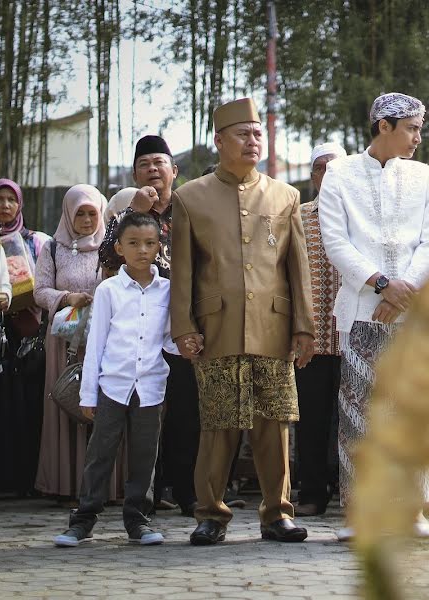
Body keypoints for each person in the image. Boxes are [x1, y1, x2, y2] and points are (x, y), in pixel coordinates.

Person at [170, 97, 316, 545]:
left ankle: (277, 514)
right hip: (217, 328)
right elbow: (182, 272)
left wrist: (305, 326)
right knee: (219, 424)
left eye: (257, 133)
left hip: (273, 327)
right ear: (219, 141)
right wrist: (183, 326)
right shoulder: (190, 197)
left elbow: (297, 267)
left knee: (275, 424)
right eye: (242, 134)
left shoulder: (285, 195)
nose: (253, 140)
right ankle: (211, 513)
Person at [318, 92, 429, 540]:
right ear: (384, 126)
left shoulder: (425, 176)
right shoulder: (340, 172)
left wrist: (401, 291)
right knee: (358, 415)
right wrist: (381, 286)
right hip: (359, 312)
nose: (417, 138)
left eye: (419, 129)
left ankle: (413, 513)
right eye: (411, 128)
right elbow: (336, 241)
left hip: (410, 313)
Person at [53, 212, 201, 547]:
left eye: (150, 243)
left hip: (151, 386)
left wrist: (186, 345)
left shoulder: (168, 290)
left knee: (145, 456)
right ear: (119, 247)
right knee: (100, 453)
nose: (142, 250)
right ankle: (84, 519)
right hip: (111, 386)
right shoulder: (108, 290)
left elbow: (167, 339)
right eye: (133, 243)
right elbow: (96, 344)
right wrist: (88, 394)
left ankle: (138, 520)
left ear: (159, 246)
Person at [100, 136, 201, 517]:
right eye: (145, 164)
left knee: (187, 412)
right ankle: (149, 494)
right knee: (147, 414)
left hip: (185, 326)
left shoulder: (192, 209)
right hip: (140, 331)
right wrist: (133, 213)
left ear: (174, 171)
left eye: (160, 162)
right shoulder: (126, 214)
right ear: (135, 174)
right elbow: (108, 258)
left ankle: (188, 492)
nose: (153, 169)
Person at [34, 185, 127, 502]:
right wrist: (67, 298)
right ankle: (66, 484)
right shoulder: (52, 249)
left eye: (92, 213)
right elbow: (40, 291)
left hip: (105, 339)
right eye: (80, 213)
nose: (87, 219)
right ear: (68, 214)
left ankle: (106, 487)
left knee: (105, 408)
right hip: (66, 340)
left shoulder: (114, 246)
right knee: (68, 402)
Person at [293, 141, 347, 517]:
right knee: (310, 419)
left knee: (349, 420)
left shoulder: (360, 216)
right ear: (313, 177)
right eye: (321, 168)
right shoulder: (296, 216)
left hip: (351, 339)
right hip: (309, 339)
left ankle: (349, 491)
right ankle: (311, 492)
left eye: (335, 168)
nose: (328, 175)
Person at [0, 178, 51, 495]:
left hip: (28, 337)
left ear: (20, 205)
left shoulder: (35, 241)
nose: (5, 206)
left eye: (10, 200)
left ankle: (26, 478)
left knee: (27, 405)